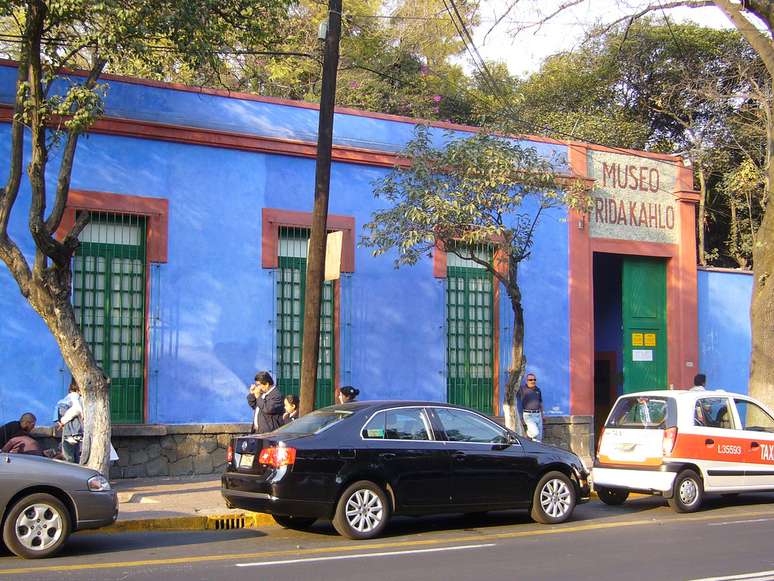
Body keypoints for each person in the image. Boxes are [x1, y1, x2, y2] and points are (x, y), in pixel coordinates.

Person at [55, 379, 84, 463]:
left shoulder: (73, 396)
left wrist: (63, 421)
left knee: (68, 453)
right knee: (75, 452)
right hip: (75, 429)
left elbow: (76, 409)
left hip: (69, 429)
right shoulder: (77, 397)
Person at [518, 373, 544, 442]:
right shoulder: (522, 389)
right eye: (530, 380)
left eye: (534, 379)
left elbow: (540, 402)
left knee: (538, 438)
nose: (533, 381)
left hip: (538, 415)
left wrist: (542, 415)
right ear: (527, 381)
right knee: (535, 432)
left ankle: (536, 451)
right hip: (529, 415)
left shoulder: (538, 390)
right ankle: (528, 434)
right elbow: (512, 388)